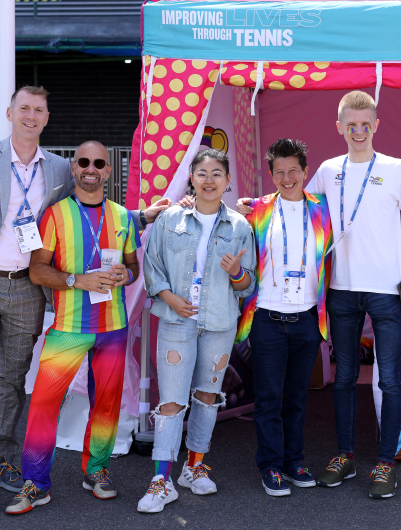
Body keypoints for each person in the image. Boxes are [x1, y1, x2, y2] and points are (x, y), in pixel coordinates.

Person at [0, 85, 166, 523]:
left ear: (46, 118)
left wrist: (140, 227)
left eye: (38, 110)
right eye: (23, 108)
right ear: (10, 113)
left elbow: (106, 218)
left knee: (12, 382)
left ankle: (10, 463)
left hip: (37, 294)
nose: (30, 115)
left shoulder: (59, 168)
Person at [238, 91, 401, 499]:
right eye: (350, 125)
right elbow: (294, 200)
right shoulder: (326, 169)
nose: (358, 132)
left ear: (376, 126)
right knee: (343, 378)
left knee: (389, 379)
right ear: (339, 128)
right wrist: (251, 206)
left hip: (387, 291)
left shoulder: (395, 169)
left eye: (365, 125)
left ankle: (385, 462)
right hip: (339, 291)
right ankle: (345, 456)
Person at [5, 140, 143, 514]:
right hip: (68, 327)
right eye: (84, 161)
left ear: (108, 170)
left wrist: (124, 273)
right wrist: (76, 281)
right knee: (44, 406)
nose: (91, 168)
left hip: (112, 327)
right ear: (74, 168)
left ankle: (96, 471)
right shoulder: (55, 215)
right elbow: (37, 270)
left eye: (99, 162)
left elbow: (134, 267)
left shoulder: (123, 217)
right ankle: (35, 482)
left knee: (106, 405)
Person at [138, 148, 256, 514]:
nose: (208, 179)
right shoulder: (170, 219)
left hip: (219, 322)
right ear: (191, 177)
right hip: (176, 320)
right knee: (172, 401)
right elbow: (151, 265)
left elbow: (248, 284)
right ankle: (161, 480)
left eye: (216, 173)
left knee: (207, 396)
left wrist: (237, 272)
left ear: (227, 182)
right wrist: (170, 298)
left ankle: (194, 466)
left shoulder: (240, 226)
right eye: (202, 172)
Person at [235, 138, 333, 496]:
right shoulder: (257, 209)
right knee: (268, 399)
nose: (287, 177)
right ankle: (271, 466)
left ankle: (294, 461)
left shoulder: (323, 209)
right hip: (267, 319)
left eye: (294, 171)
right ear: (271, 175)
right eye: (280, 172)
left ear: (306, 172)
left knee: (296, 397)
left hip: (307, 318)